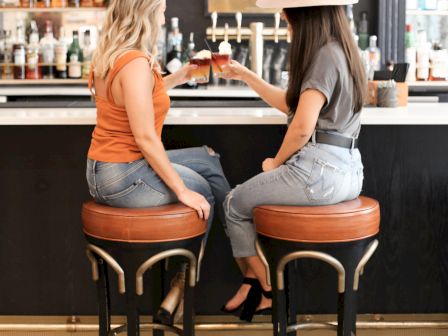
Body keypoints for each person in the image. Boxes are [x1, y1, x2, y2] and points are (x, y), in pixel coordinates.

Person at [85, 0, 231, 323]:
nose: (165, 16)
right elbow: (146, 139)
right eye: (162, 9)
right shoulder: (136, 62)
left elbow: (139, 97)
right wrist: (182, 191)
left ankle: (246, 260)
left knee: (206, 159)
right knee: (204, 191)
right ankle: (181, 289)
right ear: (147, 13)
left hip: (104, 170)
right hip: (125, 174)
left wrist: (179, 77)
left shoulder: (112, 56)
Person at [221, 0, 366, 322]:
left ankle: (266, 287)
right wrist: (247, 76)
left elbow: (302, 128)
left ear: (306, 19)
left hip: (320, 171)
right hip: (348, 171)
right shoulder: (342, 50)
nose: (289, 29)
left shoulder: (324, 55)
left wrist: (276, 162)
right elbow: (292, 106)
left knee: (233, 203)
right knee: (241, 203)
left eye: (289, 23)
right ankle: (253, 283)